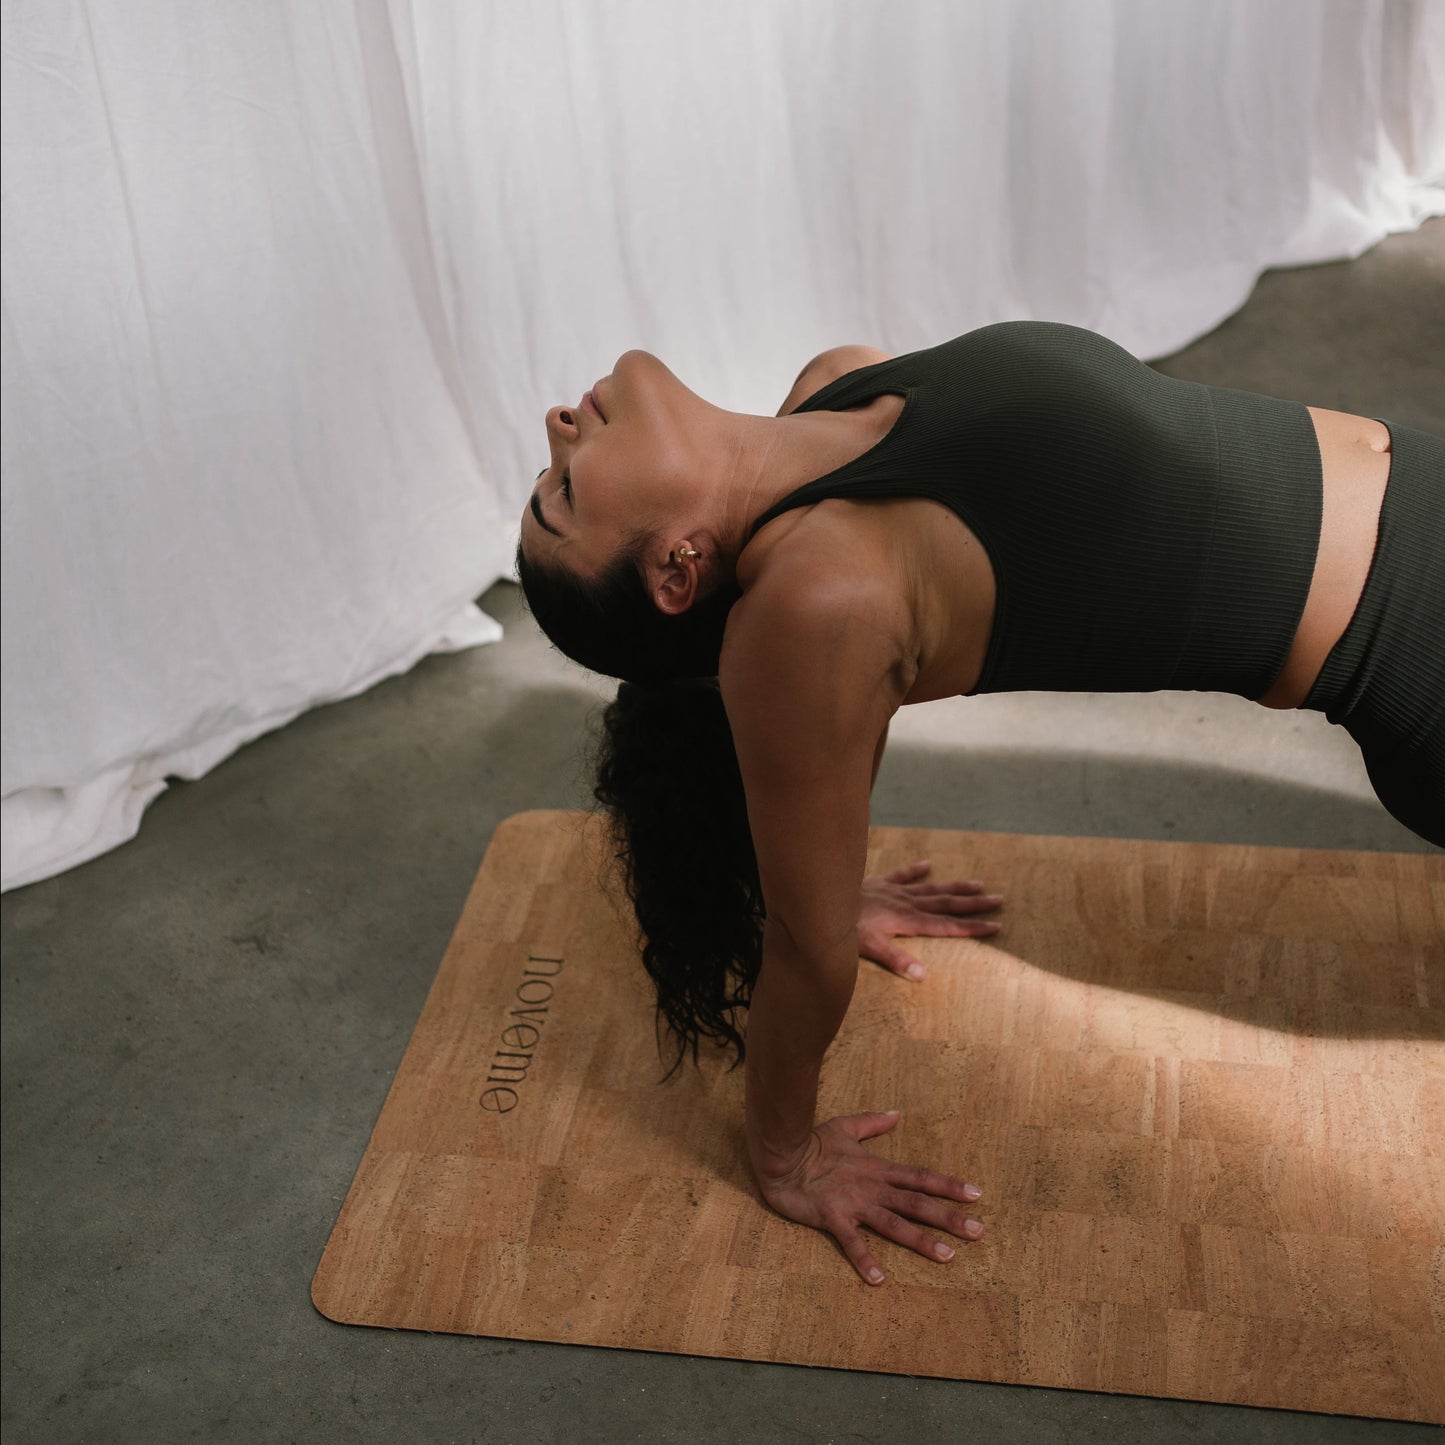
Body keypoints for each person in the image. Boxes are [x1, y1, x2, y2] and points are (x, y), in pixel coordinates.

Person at [515, 321, 1444, 1286]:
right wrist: (784, 1153)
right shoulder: (812, 600)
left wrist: (825, 868)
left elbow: (837, 715)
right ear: (676, 569)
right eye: (566, 495)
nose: (558, 429)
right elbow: (805, 944)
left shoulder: (835, 392)